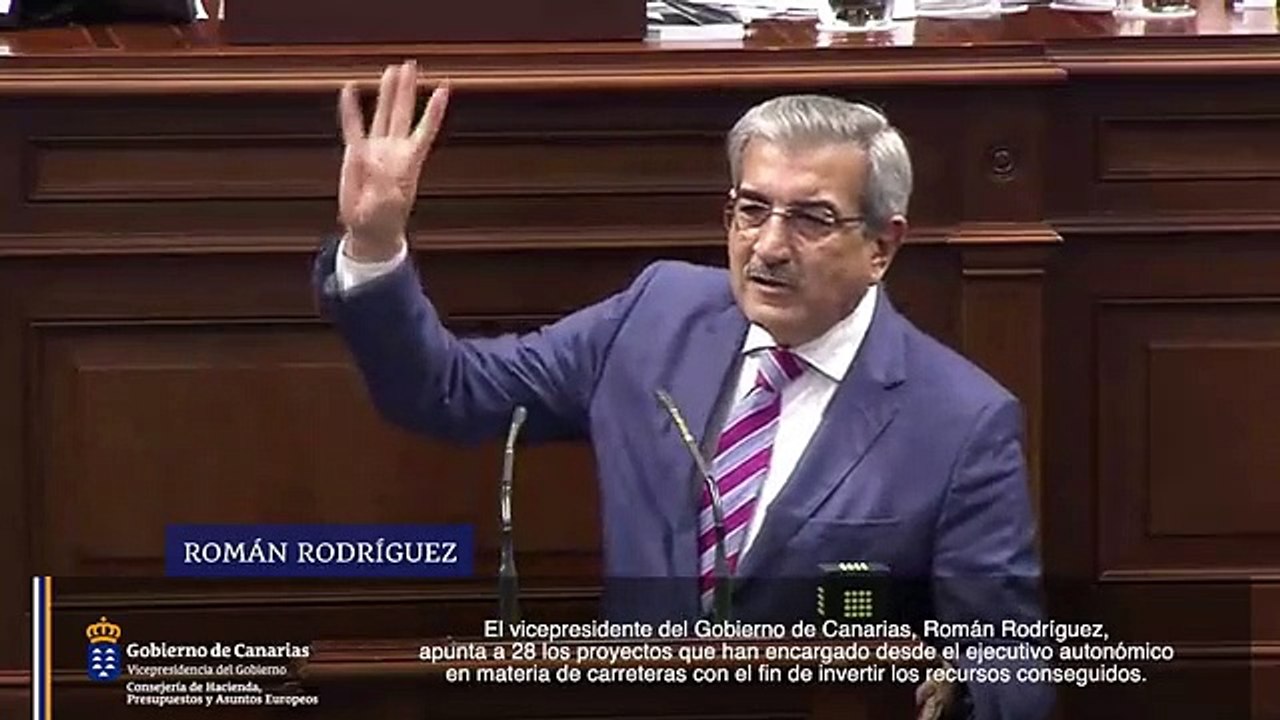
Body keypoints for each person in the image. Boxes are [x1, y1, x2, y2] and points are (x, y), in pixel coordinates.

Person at [313, 60, 1053, 720]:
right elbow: (447, 392)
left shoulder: (959, 423)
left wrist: (955, 689)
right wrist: (375, 248)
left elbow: (1013, 666)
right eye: (752, 209)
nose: (768, 246)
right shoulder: (655, 315)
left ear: (882, 248)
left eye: (812, 219)